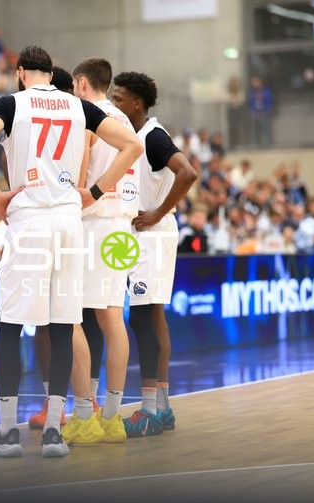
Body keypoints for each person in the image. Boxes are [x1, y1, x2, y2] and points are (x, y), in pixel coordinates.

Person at [0, 45, 141, 458]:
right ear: (52, 73)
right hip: (69, 220)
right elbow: (132, 146)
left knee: (11, 323)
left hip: (29, 218)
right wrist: (94, 191)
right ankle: (54, 433)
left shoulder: (11, 102)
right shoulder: (78, 106)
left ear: (21, 72)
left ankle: (7, 432)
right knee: (63, 322)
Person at [59, 57, 141, 446]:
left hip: (94, 222)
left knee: (69, 315)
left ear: (80, 83)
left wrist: (89, 192)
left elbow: (78, 177)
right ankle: (112, 415)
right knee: (112, 318)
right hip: (121, 226)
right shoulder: (123, 120)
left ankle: (83, 414)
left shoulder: (89, 118)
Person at [110, 71, 197, 437]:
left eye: (119, 98)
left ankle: (148, 409)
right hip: (147, 234)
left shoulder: (153, 136)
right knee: (152, 316)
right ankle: (162, 406)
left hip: (152, 231)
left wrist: (159, 212)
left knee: (144, 319)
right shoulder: (130, 137)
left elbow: (188, 172)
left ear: (138, 104)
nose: (114, 103)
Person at [26, 65, 73, 430]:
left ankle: (75, 408)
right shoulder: (81, 113)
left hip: (58, 218)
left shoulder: (73, 112)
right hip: (76, 220)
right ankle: (75, 408)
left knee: (55, 323)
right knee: (71, 322)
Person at [247, 75, 273, 148]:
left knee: (266, 129)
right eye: (253, 82)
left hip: (264, 113)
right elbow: (250, 102)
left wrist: (267, 109)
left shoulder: (266, 91)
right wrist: (251, 110)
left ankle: (268, 144)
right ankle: (256, 145)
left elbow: (269, 101)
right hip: (255, 113)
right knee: (255, 131)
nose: (254, 84)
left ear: (259, 82)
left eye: (255, 82)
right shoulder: (252, 92)